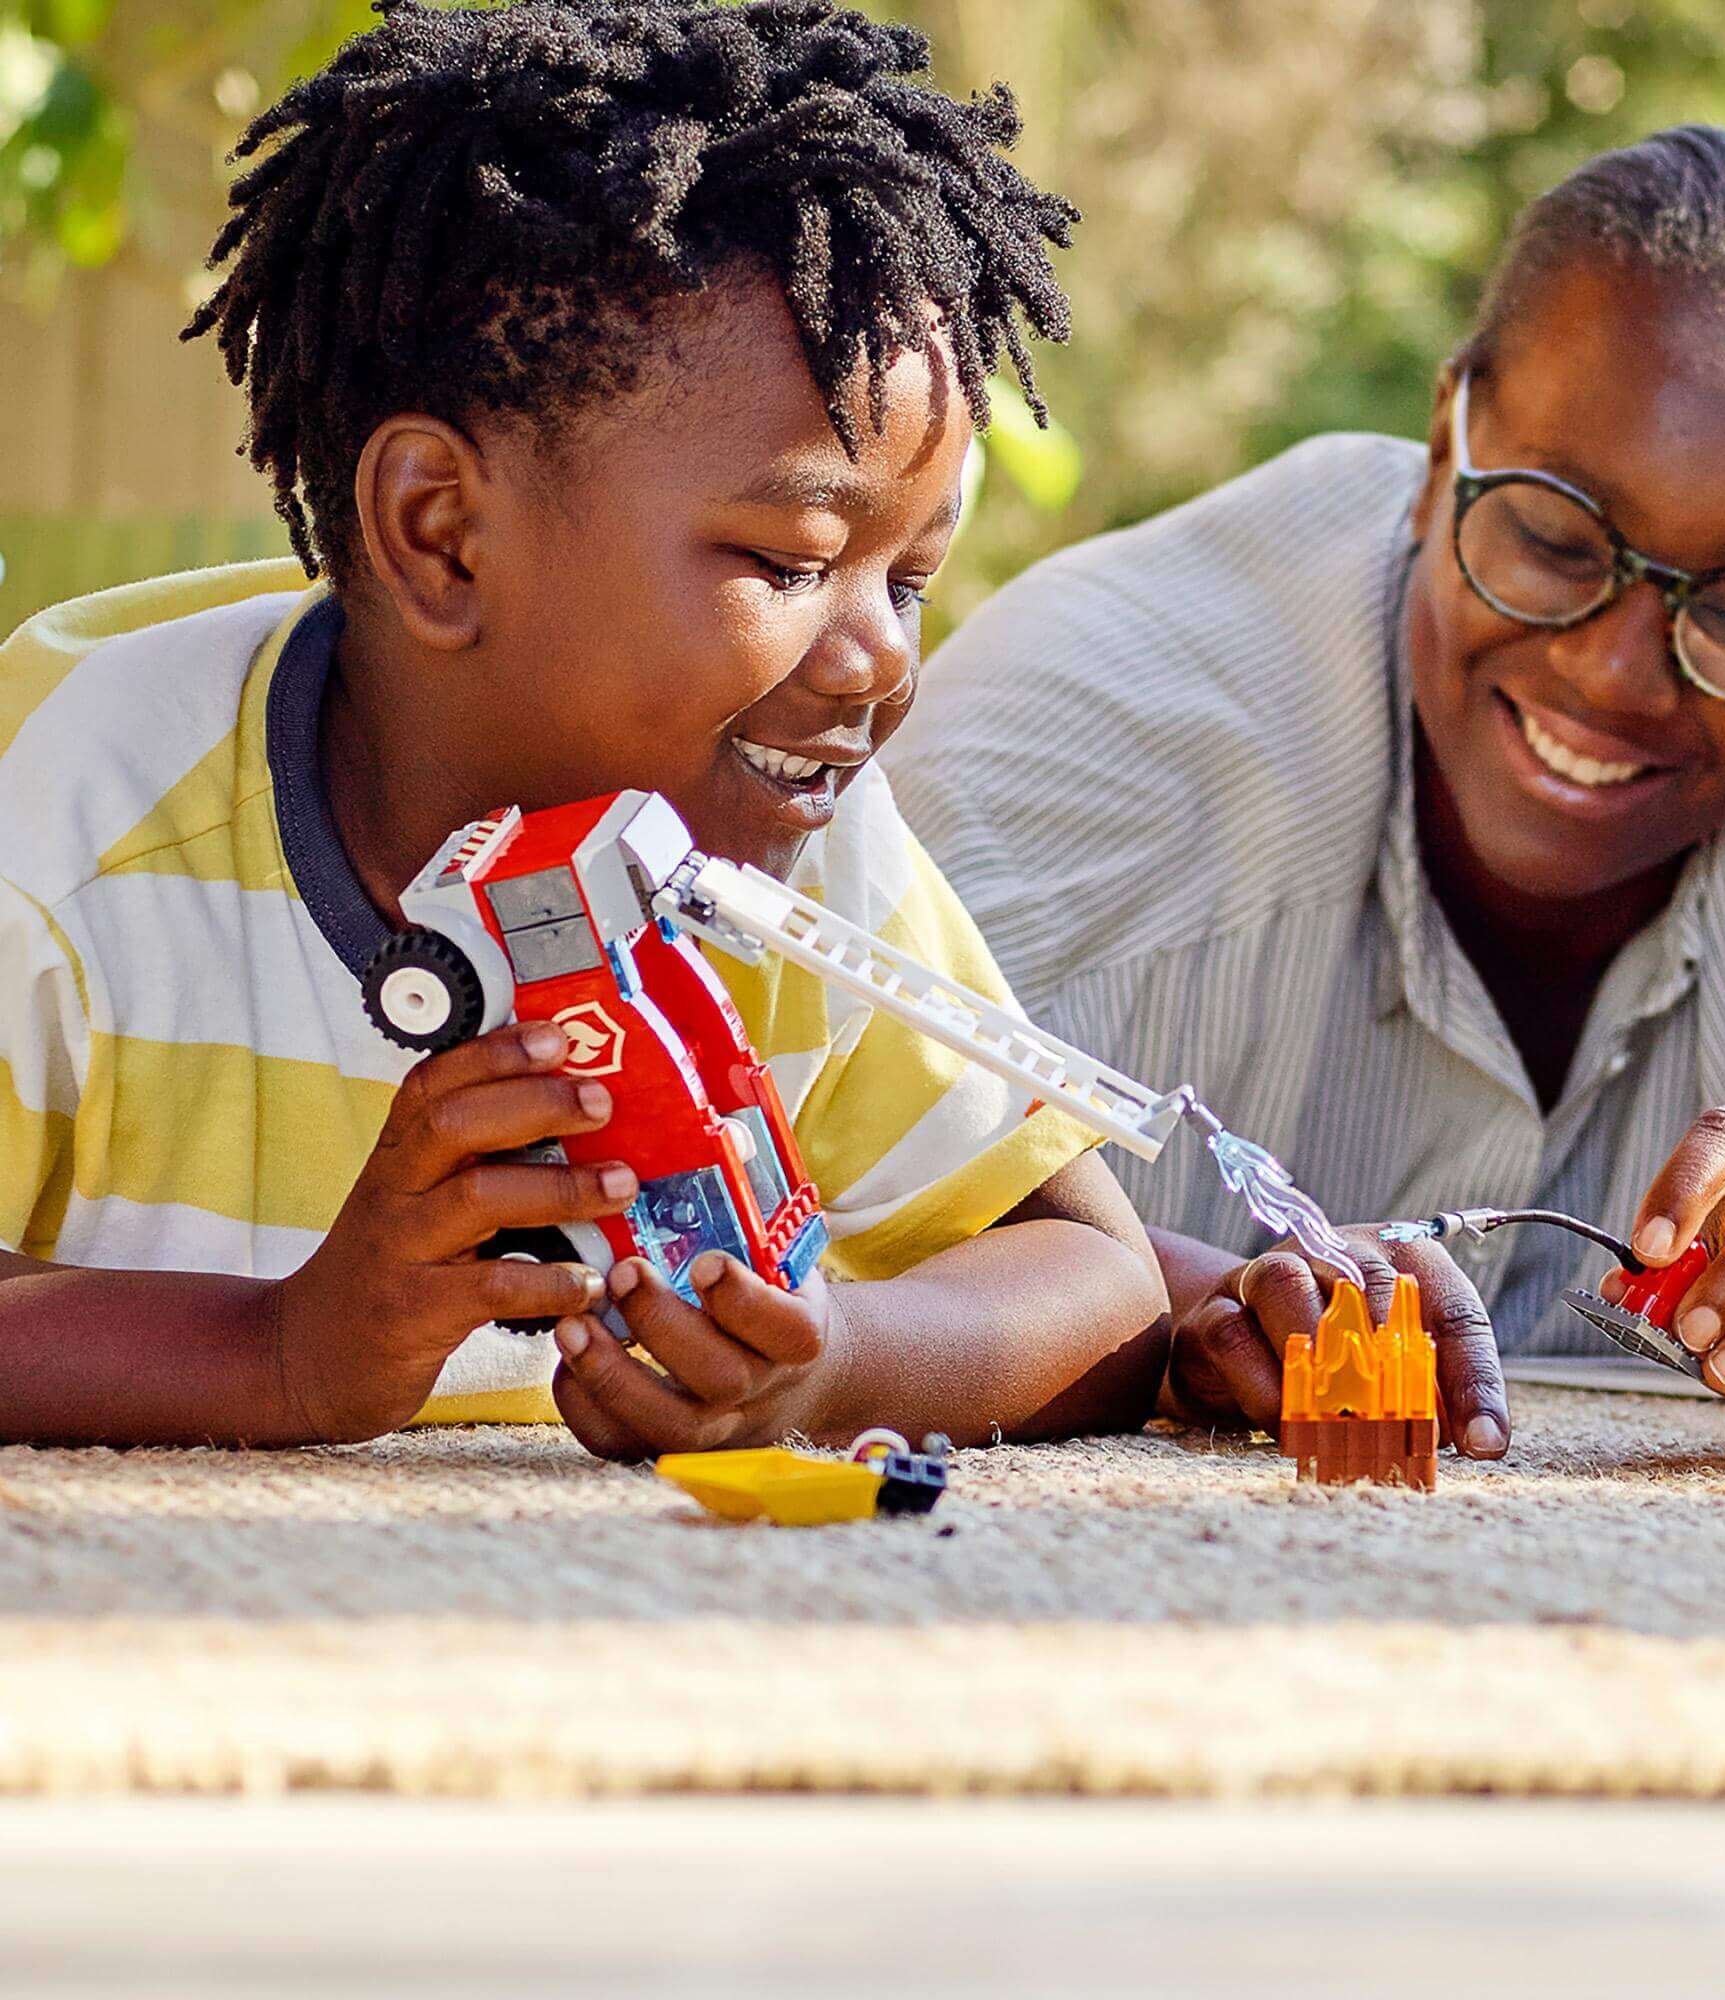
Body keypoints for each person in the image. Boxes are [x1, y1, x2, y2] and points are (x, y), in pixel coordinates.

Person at [0, 0, 1177, 1454]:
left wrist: (830, 1362)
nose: (878, 662)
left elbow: (1100, 1280)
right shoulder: (61, 824)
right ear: (442, 535)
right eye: (791, 563)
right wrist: (281, 1352)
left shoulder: (784, 842)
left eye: (914, 578)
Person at [888, 126, 1725, 1451]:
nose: (1612, 671)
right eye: (1548, 534)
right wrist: (1168, 1307)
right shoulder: (1095, 736)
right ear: (1441, 440)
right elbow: (811, 1175)